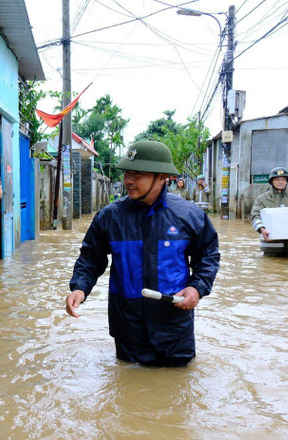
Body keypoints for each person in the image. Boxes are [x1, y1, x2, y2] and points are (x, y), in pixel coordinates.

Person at [65, 140, 220, 367]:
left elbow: (208, 255)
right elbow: (91, 257)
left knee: (178, 389)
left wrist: (197, 288)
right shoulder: (111, 217)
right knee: (128, 384)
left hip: (174, 326)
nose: (128, 180)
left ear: (161, 177)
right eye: (127, 173)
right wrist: (79, 288)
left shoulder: (189, 216)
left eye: (138, 174)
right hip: (128, 326)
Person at [250, 167, 288, 256]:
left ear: (287, 181)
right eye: (277, 179)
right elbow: (254, 216)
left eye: (283, 179)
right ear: (271, 181)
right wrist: (261, 229)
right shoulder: (262, 199)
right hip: (270, 248)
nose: (280, 182)